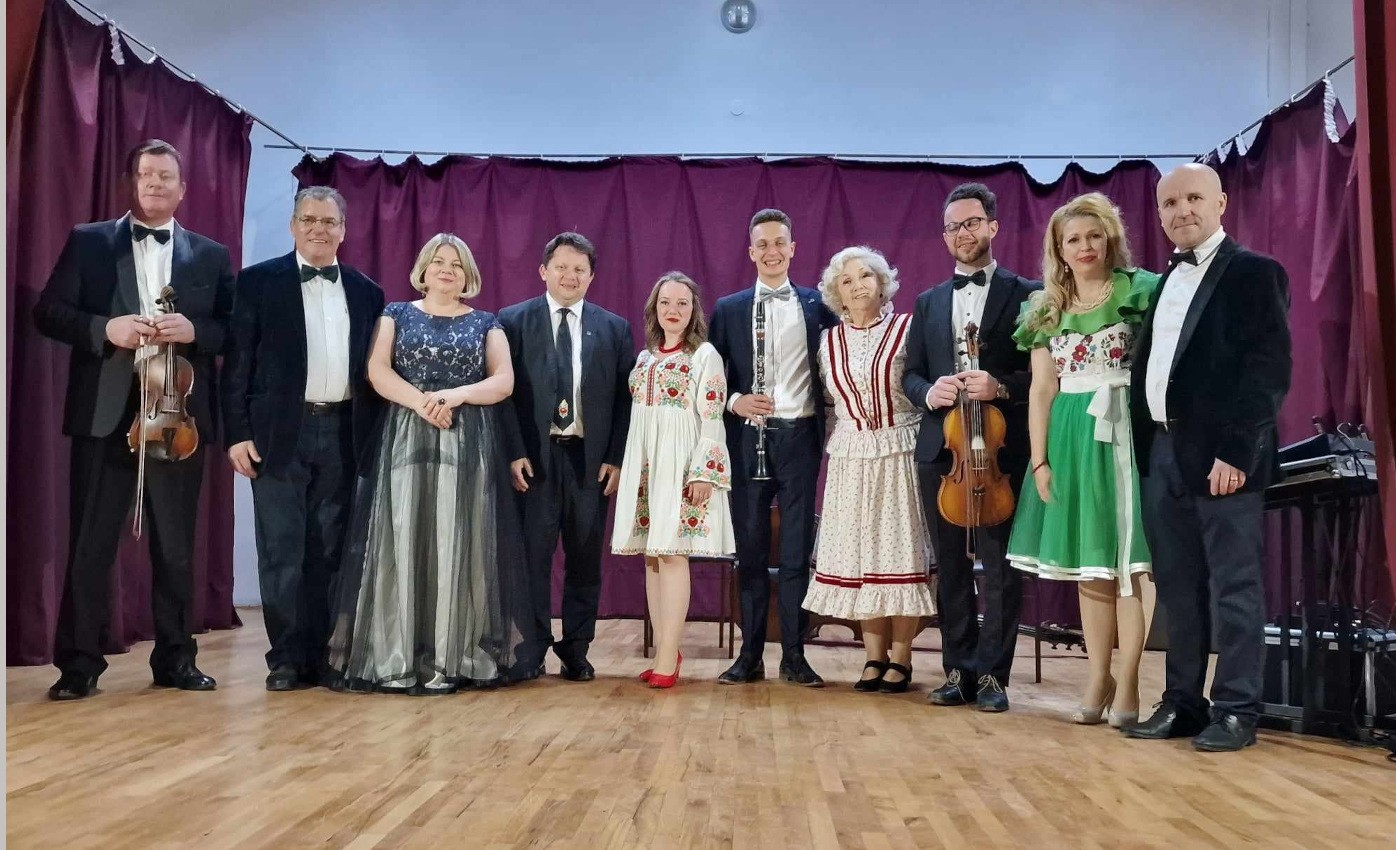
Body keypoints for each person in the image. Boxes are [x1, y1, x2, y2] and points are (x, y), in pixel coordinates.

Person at [34, 139, 234, 700]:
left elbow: (232, 328)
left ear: (182, 188)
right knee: (91, 544)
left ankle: (176, 659)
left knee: (176, 546)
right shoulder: (90, 241)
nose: (155, 184)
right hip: (105, 415)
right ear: (133, 182)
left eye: (166, 176)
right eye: (147, 174)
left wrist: (195, 331)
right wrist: (106, 329)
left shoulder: (211, 255)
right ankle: (79, 665)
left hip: (175, 416)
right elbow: (48, 312)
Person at [1123, 163, 1292, 752]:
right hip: (1162, 452)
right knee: (1178, 588)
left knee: (1234, 587)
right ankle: (1183, 703)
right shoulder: (1165, 280)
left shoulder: (1255, 272)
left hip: (1223, 458)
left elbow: (1267, 372)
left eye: (1194, 197)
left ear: (1221, 203)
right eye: (1170, 203)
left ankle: (1238, 709)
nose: (1182, 211)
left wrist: (1236, 453)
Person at [326, 233, 523, 693]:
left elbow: (504, 380)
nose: (446, 269)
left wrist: (453, 396)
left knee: (460, 541)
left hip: (465, 439)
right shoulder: (395, 314)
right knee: (402, 537)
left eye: (456, 263)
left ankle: (453, 655)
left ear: (468, 274)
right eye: (438, 261)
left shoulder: (487, 323)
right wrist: (422, 403)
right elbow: (377, 371)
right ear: (423, 269)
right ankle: (395, 656)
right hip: (405, 434)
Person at [221, 186, 385, 691]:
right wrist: (236, 434)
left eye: (329, 221)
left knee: (332, 550)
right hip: (277, 434)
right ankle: (287, 658)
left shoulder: (367, 291)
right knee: (282, 550)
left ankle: (326, 656)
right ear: (293, 226)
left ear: (344, 230)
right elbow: (237, 365)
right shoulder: (257, 282)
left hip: (343, 432)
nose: (319, 229)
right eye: (309, 219)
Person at [1006, 193, 1160, 725]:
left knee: (1132, 564)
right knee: (1091, 564)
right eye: (1073, 239)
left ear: (1110, 238)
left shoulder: (1140, 290)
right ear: (1059, 249)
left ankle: (1131, 678)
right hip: (1071, 436)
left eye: (1094, 235)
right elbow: (1041, 389)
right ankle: (1099, 674)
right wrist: (1039, 460)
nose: (1085, 246)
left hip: (1127, 432)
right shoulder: (1044, 307)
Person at [903, 182, 1040, 712]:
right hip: (944, 451)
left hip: (1000, 451)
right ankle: (958, 671)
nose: (963, 233)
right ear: (944, 236)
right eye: (953, 227)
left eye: (972, 223)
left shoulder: (1028, 294)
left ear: (992, 227)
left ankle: (993, 678)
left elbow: (1043, 377)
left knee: (1001, 568)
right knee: (951, 568)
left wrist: (999, 386)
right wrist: (928, 391)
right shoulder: (928, 302)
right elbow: (911, 374)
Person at [709, 208, 839, 687]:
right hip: (748, 438)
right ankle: (749, 656)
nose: (771, 251)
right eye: (762, 244)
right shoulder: (728, 308)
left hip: (800, 437)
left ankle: (794, 655)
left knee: (796, 551)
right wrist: (736, 400)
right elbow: (711, 377)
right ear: (751, 252)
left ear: (793, 248)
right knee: (750, 551)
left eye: (779, 242)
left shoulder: (818, 305)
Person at [498, 233, 634, 682]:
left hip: (589, 462)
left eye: (579, 269)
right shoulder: (512, 322)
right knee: (532, 560)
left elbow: (624, 400)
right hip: (534, 462)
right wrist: (514, 451)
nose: (570, 276)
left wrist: (616, 456)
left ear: (591, 277)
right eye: (561, 267)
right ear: (544, 271)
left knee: (584, 560)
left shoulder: (614, 328)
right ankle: (531, 648)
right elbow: (504, 396)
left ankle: (576, 649)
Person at [800, 247, 935, 693]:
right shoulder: (828, 342)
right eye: (847, 280)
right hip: (851, 456)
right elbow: (828, 405)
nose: (857, 286)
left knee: (900, 554)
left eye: (865, 276)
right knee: (862, 558)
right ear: (836, 293)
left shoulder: (906, 328)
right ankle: (873, 656)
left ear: (881, 283)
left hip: (899, 448)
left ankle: (902, 657)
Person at [611, 272, 735, 688]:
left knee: (672, 553)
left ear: (694, 310)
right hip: (646, 462)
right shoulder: (645, 357)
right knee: (652, 554)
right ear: (654, 308)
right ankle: (666, 648)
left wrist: (703, 472)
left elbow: (712, 417)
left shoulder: (704, 355)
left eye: (682, 303)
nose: (673, 310)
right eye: (666, 302)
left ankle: (668, 655)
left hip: (681, 463)